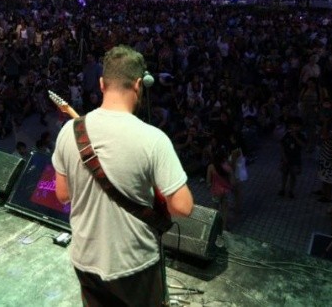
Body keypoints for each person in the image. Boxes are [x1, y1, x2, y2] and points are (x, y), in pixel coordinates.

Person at [52, 45, 194, 307]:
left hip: (86, 260)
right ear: (139, 84)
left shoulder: (70, 131)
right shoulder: (154, 139)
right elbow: (183, 207)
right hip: (136, 264)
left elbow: (62, 195)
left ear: (102, 84)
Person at [279, 116, 306, 199]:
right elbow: (281, 145)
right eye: (293, 126)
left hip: (295, 159)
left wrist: (295, 137)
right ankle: (282, 188)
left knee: (293, 175)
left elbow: (303, 145)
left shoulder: (301, 135)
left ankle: (291, 190)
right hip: (286, 157)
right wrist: (283, 157)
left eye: (297, 126)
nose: (295, 128)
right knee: (284, 174)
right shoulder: (286, 134)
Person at [206, 150, 233, 230]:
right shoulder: (227, 167)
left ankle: (214, 227)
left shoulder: (211, 167)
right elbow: (232, 181)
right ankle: (224, 228)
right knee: (225, 210)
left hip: (216, 192)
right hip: (225, 192)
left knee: (214, 210)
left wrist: (210, 186)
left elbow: (208, 181)